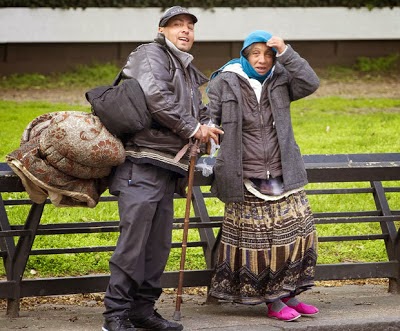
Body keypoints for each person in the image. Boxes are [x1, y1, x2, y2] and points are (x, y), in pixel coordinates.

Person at [102, 6, 222, 331]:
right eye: (176, 25)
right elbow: (155, 96)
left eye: (190, 26)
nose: (185, 31)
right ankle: (114, 316)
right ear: (161, 29)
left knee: (158, 247)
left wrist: (208, 121)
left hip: (169, 168)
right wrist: (193, 128)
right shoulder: (150, 54)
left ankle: (143, 310)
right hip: (140, 163)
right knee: (134, 244)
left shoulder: (185, 68)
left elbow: (197, 110)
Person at [207, 30, 320, 322]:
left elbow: (310, 82)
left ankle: (290, 293)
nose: (262, 60)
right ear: (244, 55)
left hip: (284, 172)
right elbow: (210, 118)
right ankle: (272, 300)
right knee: (262, 243)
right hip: (245, 175)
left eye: (268, 54)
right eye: (255, 54)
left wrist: (286, 51)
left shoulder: (280, 77)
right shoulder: (225, 80)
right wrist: (208, 133)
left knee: (298, 233)